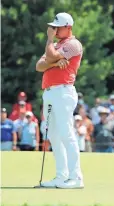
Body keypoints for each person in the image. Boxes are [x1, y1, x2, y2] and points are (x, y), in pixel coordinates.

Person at [35, 12, 84, 188]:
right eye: (53, 27)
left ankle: (76, 177)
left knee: (66, 133)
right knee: (54, 135)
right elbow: (39, 66)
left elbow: (47, 58)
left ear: (68, 28)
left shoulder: (73, 44)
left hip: (63, 91)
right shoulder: (56, 45)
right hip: (50, 92)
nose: (53, 30)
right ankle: (61, 176)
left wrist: (49, 43)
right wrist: (55, 63)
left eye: (57, 27)